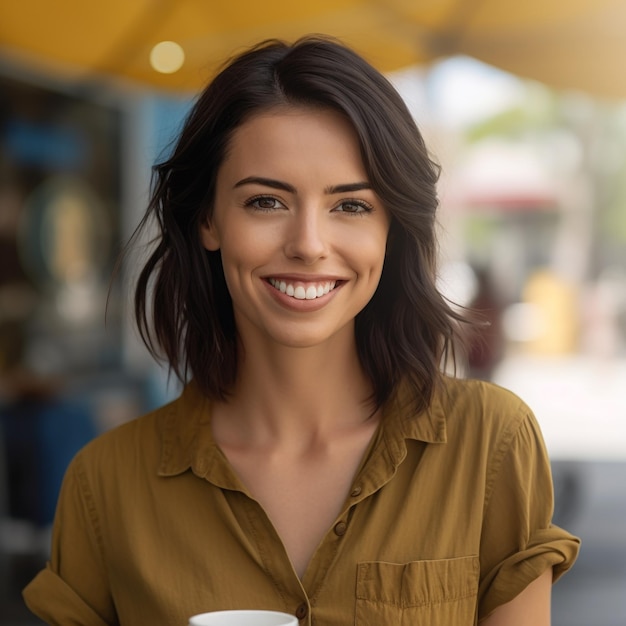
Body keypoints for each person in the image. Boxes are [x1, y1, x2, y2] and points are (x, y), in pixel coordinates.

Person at [23, 36, 579, 625]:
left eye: (351, 206)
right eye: (266, 202)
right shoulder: (106, 484)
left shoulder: (490, 444)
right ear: (209, 219)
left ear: (392, 228)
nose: (309, 245)